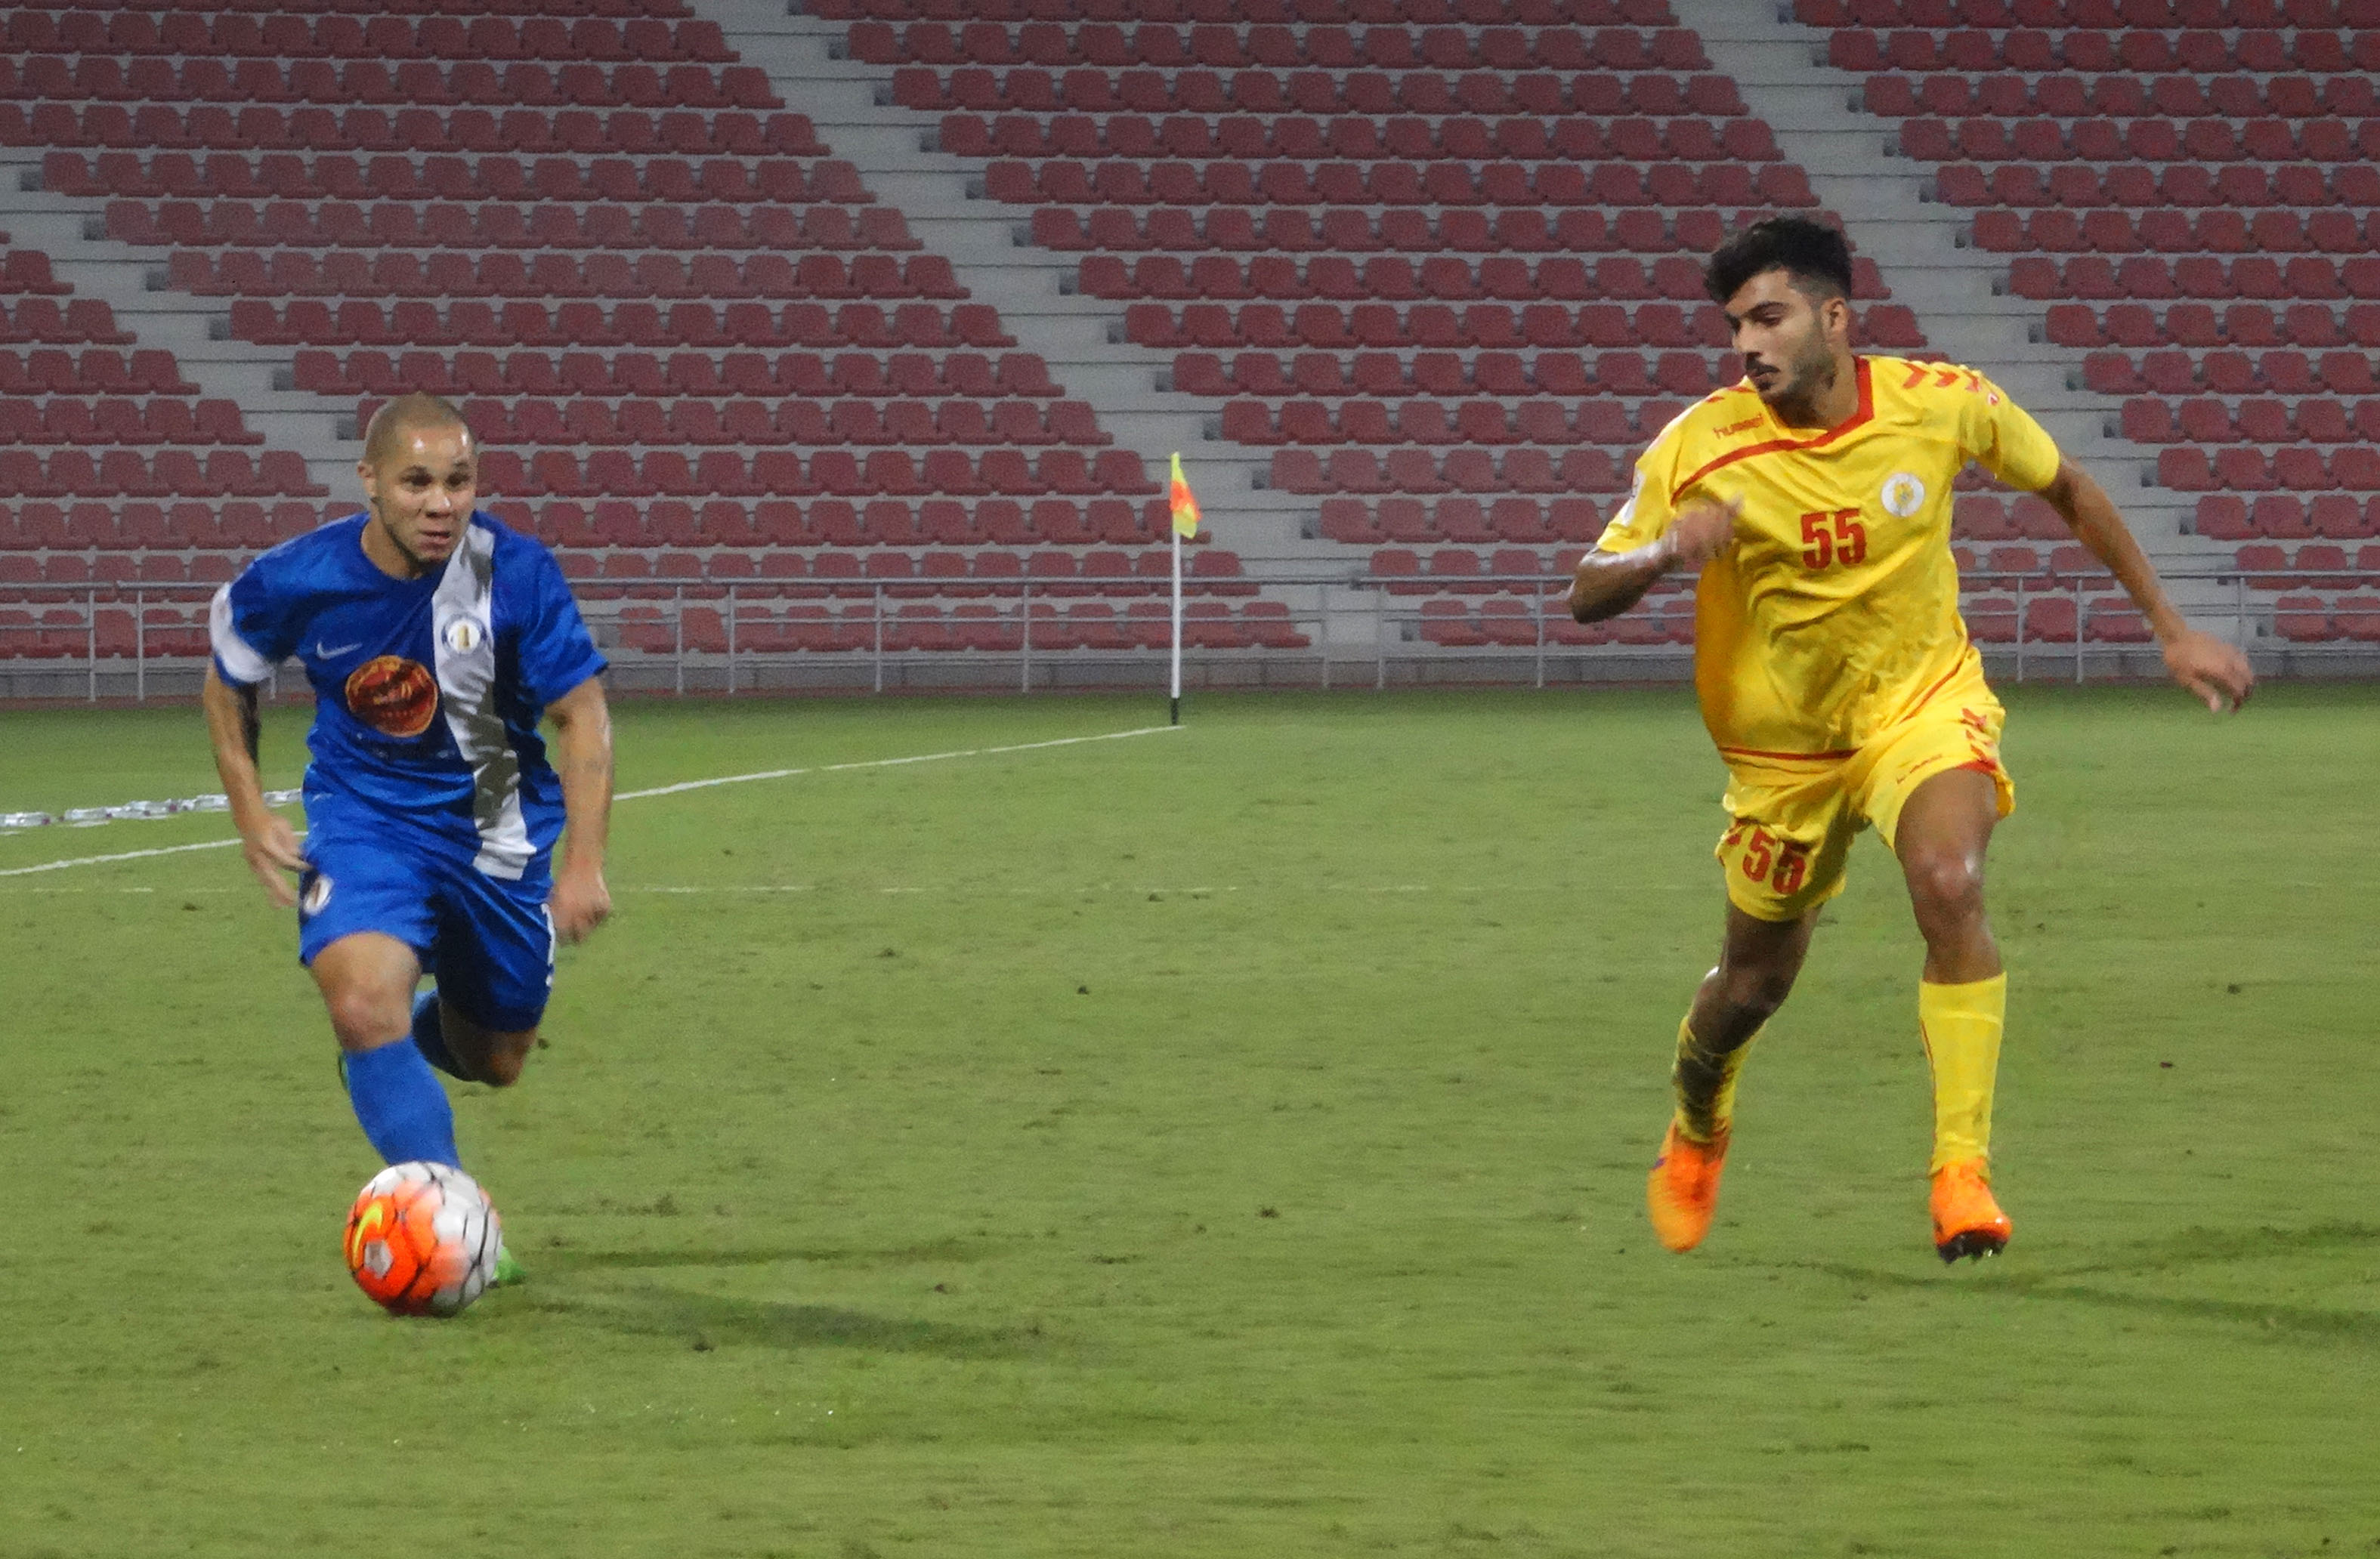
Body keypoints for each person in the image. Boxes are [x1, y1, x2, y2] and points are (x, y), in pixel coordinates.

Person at [1569, 218, 2253, 1262]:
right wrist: (1666, 549)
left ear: (1835, 318)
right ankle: (1698, 1123)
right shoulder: (1698, 444)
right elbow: (1583, 593)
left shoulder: (1942, 404)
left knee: (1948, 878)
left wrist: (2170, 628)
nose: (1746, 345)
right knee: (1749, 987)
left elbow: (2067, 487)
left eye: (1768, 318)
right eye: (1735, 326)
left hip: (1918, 706)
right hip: (1782, 756)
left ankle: (1960, 1172)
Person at [202, 393, 612, 1279]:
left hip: (499, 837)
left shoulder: (517, 574)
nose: (440, 503)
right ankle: (455, 1229)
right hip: (368, 823)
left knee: (494, 1059)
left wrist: (583, 866)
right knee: (359, 1002)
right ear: (371, 483)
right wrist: (249, 810)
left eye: (458, 482)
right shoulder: (300, 577)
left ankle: (391, 1056)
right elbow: (228, 677)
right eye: (417, 482)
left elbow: (582, 714)